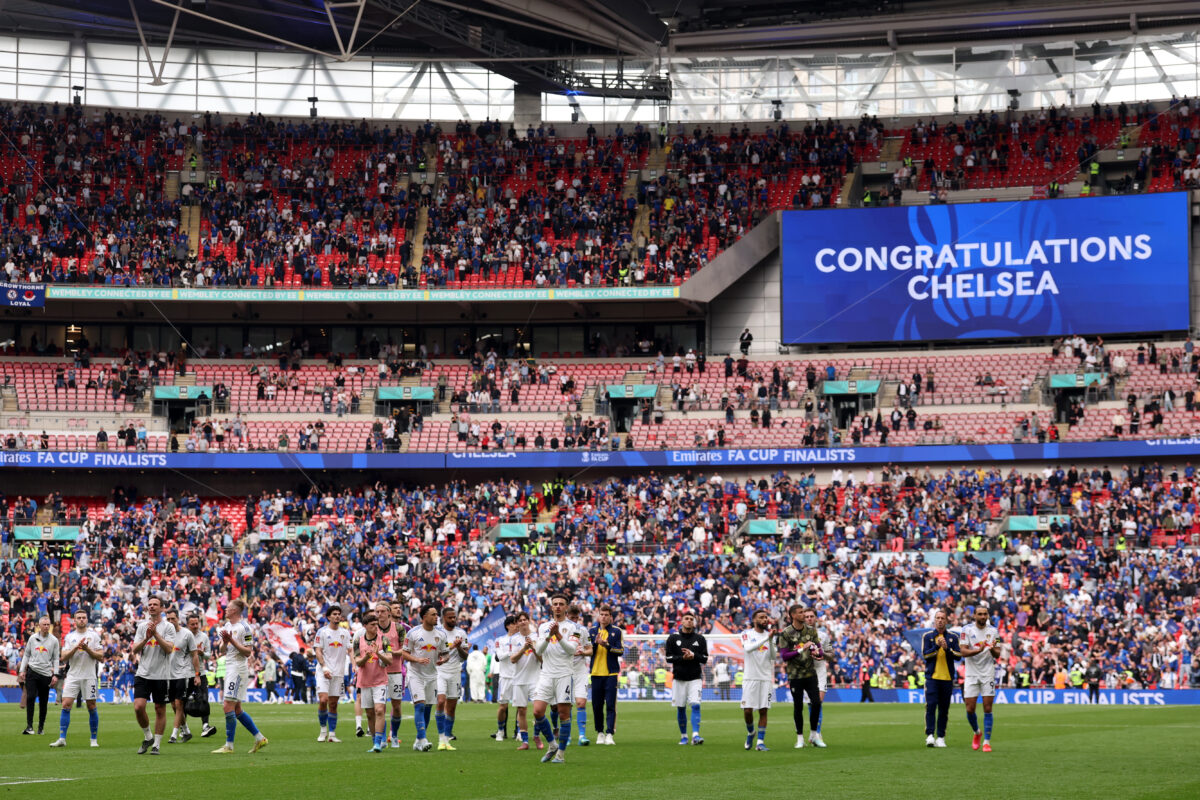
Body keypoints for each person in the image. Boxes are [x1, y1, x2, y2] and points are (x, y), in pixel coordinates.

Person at [530, 592, 590, 764]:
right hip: (546, 674)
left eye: (561, 604)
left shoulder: (575, 628)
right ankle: (552, 745)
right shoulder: (543, 627)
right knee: (537, 711)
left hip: (565, 674)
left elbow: (571, 650)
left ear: (566, 607)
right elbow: (539, 650)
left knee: (564, 714)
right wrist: (550, 635)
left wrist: (558, 635)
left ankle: (561, 755)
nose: (557, 606)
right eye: (555, 603)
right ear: (551, 606)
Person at [210, 598, 269, 754]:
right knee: (236, 709)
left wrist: (232, 641)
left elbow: (248, 652)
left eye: (228, 607)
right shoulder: (227, 626)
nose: (226, 609)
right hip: (229, 667)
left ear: (235, 610)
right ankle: (259, 738)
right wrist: (224, 641)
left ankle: (229, 745)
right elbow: (222, 650)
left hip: (237, 668)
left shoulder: (245, 628)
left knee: (227, 705)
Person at [400, 603, 447, 752]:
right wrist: (416, 659)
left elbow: (445, 653)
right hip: (416, 674)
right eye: (433, 614)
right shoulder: (413, 633)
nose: (436, 617)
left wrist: (442, 660)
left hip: (432, 675)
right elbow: (404, 652)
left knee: (427, 708)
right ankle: (423, 738)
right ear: (424, 617)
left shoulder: (440, 634)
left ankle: (419, 740)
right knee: (419, 705)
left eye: (436, 614)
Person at [132, 596, 176, 754]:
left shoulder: (169, 627)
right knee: (138, 707)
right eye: (149, 604)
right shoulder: (142, 626)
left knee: (160, 709)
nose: (151, 607)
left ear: (162, 608)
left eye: (155, 604)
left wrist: (156, 634)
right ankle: (148, 736)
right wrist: (146, 637)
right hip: (143, 673)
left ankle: (156, 744)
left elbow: (169, 649)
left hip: (162, 675)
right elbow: (134, 650)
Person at [53, 610, 102, 747]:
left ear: (87, 619)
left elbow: (101, 656)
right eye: (79, 618)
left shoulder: (94, 636)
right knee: (66, 704)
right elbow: (63, 657)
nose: (81, 620)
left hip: (89, 676)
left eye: (83, 617)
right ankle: (62, 739)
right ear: (74, 620)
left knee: (91, 706)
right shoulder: (69, 637)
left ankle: (93, 740)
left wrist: (87, 649)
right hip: (73, 676)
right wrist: (76, 647)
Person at [777, 604, 822, 750]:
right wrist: (802, 649)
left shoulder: (811, 630)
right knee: (798, 706)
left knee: (816, 703)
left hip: (810, 673)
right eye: (801, 613)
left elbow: (819, 650)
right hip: (795, 675)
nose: (804, 615)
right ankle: (800, 738)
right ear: (793, 615)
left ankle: (814, 735)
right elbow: (784, 656)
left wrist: (817, 652)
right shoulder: (786, 633)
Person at [959, 605, 1001, 752]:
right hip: (971, 673)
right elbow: (963, 652)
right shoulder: (966, 630)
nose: (983, 617)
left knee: (987, 708)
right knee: (970, 709)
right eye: (980, 614)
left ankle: (987, 742)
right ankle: (977, 732)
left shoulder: (994, 631)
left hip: (988, 673)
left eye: (985, 614)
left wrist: (994, 648)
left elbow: (998, 654)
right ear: (974, 616)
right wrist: (979, 650)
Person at [664, 610, 708, 745]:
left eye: (691, 618)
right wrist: (683, 657)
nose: (689, 620)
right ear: (681, 621)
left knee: (696, 705)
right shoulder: (673, 638)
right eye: (686, 618)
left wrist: (693, 655)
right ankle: (684, 736)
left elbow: (705, 658)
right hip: (679, 679)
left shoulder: (700, 639)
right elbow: (668, 658)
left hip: (695, 678)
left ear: (694, 622)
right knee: (681, 707)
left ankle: (695, 735)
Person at [921, 608, 962, 748]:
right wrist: (936, 647)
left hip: (947, 678)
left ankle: (941, 737)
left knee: (944, 709)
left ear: (946, 621)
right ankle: (930, 735)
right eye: (937, 618)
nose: (940, 620)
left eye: (942, 618)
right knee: (931, 706)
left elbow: (958, 656)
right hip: (932, 678)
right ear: (934, 620)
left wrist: (947, 648)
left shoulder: (953, 637)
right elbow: (925, 655)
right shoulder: (927, 636)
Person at [354, 612, 393, 753]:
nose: (376, 627)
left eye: (376, 624)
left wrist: (379, 654)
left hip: (380, 681)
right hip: (364, 681)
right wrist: (366, 658)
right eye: (372, 625)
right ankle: (374, 741)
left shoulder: (384, 640)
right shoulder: (358, 640)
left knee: (379, 710)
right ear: (365, 626)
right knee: (370, 714)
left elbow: (390, 660)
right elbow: (357, 661)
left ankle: (378, 743)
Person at [739, 608, 777, 752]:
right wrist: (767, 639)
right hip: (750, 678)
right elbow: (748, 649)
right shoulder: (746, 634)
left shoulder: (770, 635)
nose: (765, 619)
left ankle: (760, 742)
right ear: (754, 620)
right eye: (761, 617)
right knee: (747, 710)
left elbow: (773, 657)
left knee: (763, 711)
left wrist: (771, 640)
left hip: (765, 678)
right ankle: (751, 733)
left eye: (766, 617)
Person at [315, 605, 351, 743]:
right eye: (334, 614)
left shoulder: (345, 633)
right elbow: (318, 650)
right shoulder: (322, 632)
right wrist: (324, 667)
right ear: (329, 617)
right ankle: (323, 730)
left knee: (334, 704)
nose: (337, 616)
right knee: (323, 700)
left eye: (339, 614)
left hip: (339, 673)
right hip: (324, 671)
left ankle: (332, 734)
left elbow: (350, 650)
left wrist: (354, 665)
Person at [435, 606, 469, 751]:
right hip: (440, 671)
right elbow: (436, 654)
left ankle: (447, 738)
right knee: (441, 701)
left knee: (452, 706)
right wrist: (453, 647)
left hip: (455, 671)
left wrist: (460, 647)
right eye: (450, 617)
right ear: (443, 618)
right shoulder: (437, 633)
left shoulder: (461, 633)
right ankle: (441, 737)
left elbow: (465, 656)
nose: (453, 620)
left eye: (454, 617)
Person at [587, 604, 622, 746]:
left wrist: (606, 645)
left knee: (610, 705)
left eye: (607, 615)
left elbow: (620, 651)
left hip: (611, 673)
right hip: (595, 673)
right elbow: (589, 650)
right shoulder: (591, 631)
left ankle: (609, 733)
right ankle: (599, 732)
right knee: (596, 705)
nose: (604, 617)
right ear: (598, 615)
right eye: (602, 614)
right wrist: (596, 644)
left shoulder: (616, 632)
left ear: (611, 617)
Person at [165, 608, 201, 744]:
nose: (170, 621)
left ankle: (174, 734)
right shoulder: (164, 634)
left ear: (178, 619)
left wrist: (197, 675)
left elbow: (195, 655)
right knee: (173, 705)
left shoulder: (186, 634)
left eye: (173, 619)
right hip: (168, 674)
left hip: (183, 673)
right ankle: (186, 731)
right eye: (168, 619)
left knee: (179, 703)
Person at [20, 615, 60, 736]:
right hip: (32, 671)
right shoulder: (32, 638)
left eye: (48, 624)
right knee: (30, 697)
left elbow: (56, 659)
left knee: (43, 701)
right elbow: (26, 655)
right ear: (39, 625)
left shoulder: (54, 640)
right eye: (44, 624)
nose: (46, 627)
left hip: (46, 674)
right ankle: (29, 726)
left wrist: (56, 674)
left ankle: (41, 727)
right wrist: (22, 670)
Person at [508, 612, 542, 751]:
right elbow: (512, 659)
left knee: (538, 711)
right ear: (517, 623)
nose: (522, 622)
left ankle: (536, 735)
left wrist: (533, 648)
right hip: (519, 679)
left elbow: (542, 660)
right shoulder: (514, 639)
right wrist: (524, 648)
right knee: (521, 710)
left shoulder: (537, 637)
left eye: (525, 620)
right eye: (520, 620)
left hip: (535, 679)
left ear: (529, 621)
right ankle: (525, 741)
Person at [377, 600, 408, 748]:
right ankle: (383, 738)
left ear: (388, 613)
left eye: (382, 611)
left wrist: (391, 653)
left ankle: (394, 735)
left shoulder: (399, 628)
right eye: (377, 612)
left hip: (395, 671)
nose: (379, 614)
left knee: (396, 706)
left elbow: (406, 650)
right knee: (380, 707)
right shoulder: (373, 628)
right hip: (378, 673)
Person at [804, 607, 832, 747]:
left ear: (815, 618)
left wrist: (822, 654)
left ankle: (816, 734)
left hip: (820, 671)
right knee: (811, 703)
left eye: (811, 616)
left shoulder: (823, 636)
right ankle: (814, 733)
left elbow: (831, 655)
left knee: (817, 702)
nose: (809, 618)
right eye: (807, 616)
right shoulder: (798, 636)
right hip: (805, 673)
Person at [491, 615, 519, 741]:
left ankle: (519, 732)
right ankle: (500, 731)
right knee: (503, 706)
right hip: (505, 676)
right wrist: (512, 652)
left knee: (520, 706)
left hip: (519, 676)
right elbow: (500, 656)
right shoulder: (500, 640)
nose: (517, 625)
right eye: (514, 623)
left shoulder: (522, 639)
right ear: (508, 625)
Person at [190, 613, 218, 737]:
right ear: (188, 624)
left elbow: (208, 655)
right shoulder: (185, 635)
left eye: (197, 623)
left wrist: (201, 653)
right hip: (186, 673)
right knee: (183, 701)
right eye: (193, 624)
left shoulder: (204, 637)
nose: (195, 626)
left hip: (201, 672)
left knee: (204, 699)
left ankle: (205, 725)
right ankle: (183, 728)